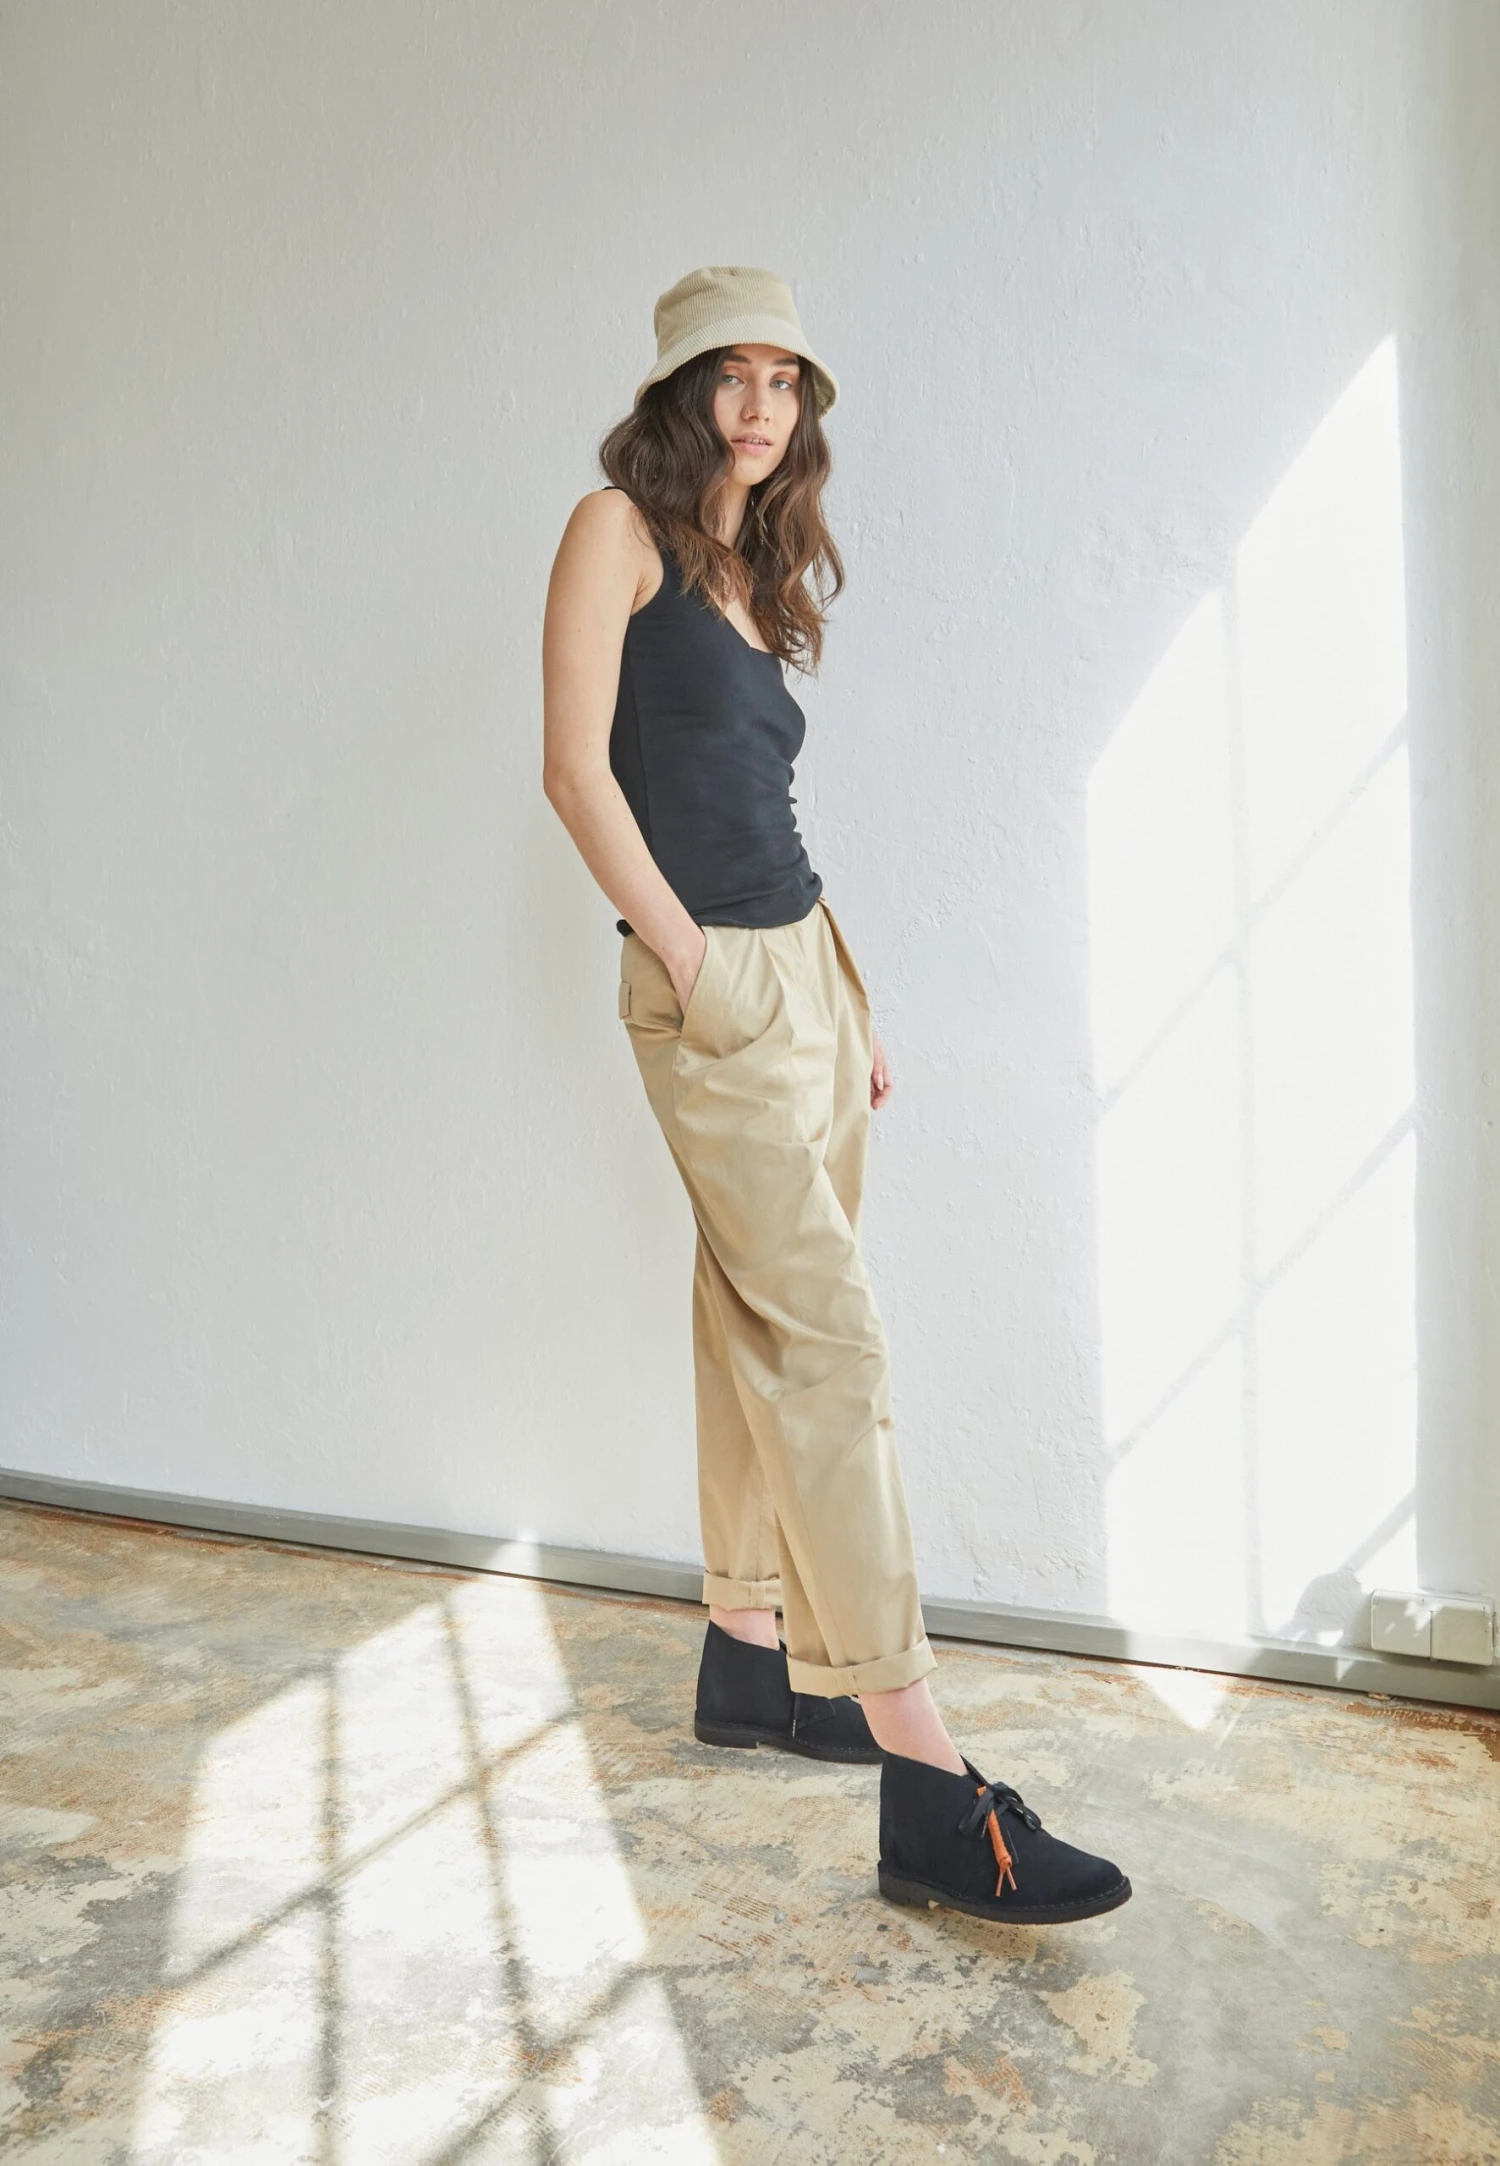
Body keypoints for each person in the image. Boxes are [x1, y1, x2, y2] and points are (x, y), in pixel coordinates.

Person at [541, 264, 1130, 1927]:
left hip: (808, 970)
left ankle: (749, 1648)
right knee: (833, 1346)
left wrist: (838, 987)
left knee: (752, 1313)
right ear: (681, 391)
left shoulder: (744, 566)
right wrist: (693, 961)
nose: (759, 404)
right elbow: (575, 771)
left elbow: (754, 796)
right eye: (730, 375)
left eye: (785, 379)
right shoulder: (615, 532)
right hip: (712, 981)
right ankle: (929, 1777)